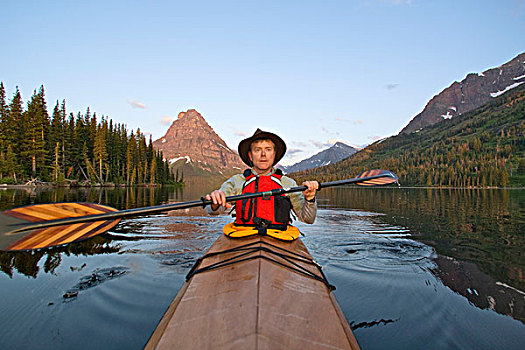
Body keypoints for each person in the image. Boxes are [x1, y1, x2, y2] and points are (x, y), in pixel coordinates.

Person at [205, 129, 319, 228]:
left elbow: (308, 219)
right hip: (244, 237)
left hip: (279, 238)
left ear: (274, 154)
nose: (263, 154)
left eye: (268, 149)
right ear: (250, 155)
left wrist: (310, 199)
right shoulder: (236, 181)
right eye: (258, 150)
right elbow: (211, 211)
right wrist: (215, 202)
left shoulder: (287, 183)